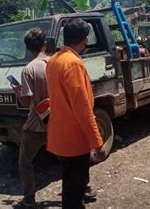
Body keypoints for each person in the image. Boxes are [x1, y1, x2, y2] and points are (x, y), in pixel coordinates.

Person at [46, 18, 105, 208]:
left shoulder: (54, 60)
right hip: (74, 139)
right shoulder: (73, 63)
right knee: (74, 190)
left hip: (60, 135)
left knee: (71, 183)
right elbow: (83, 108)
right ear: (85, 39)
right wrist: (97, 141)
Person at [10, 28, 49, 207]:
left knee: (25, 163)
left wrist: (18, 91)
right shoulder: (56, 63)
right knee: (68, 159)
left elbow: (26, 102)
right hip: (59, 121)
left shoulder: (29, 70)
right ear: (45, 43)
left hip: (36, 125)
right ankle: (82, 189)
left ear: (27, 48)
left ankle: (29, 199)